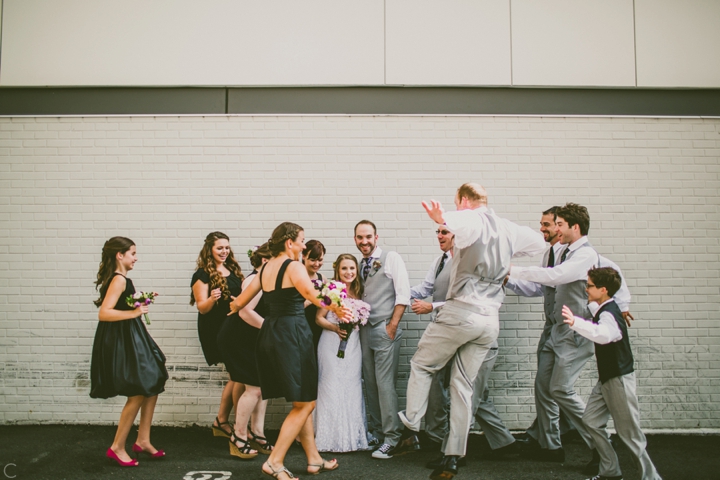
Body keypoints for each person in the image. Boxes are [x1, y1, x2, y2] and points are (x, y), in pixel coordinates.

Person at [397, 183, 546, 480]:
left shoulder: (471, 218)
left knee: (422, 365)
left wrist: (442, 218)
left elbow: (460, 222)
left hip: (460, 312)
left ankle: (410, 427)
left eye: (457, 202)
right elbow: (540, 244)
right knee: (462, 387)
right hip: (490, 319)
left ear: (464, 200)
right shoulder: (508, 228)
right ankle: (452, 457)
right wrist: (505, 262)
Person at [508, 208, 634, 469]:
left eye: (558, 224)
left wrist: (620, 303)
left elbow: (560, 276)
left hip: (574, 333)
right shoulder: (554, 253)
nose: (554, 228)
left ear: (574, 227)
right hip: (553, 331)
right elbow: (544, 286)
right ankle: (550, 446)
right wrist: (506, 278)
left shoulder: (586, 255)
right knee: (544, 388)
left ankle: (601, 442)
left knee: (560, 389)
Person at [229, 222, 351, 479]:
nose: (304, 246)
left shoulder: (265, 268)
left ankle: (314, 459)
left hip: (271, 334)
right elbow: (310, 293)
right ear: (289, 243)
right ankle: (274, 462)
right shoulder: (293, 266)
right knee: (306, 402)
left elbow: (239, 302)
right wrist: (337, 306)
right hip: (292, 334)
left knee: (301, 400)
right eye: (302, 240)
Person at [414, 226, 518, 469]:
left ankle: (454, 455)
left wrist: (433, 307)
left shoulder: (477, 264)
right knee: (477, 396)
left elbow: (474, 302)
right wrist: (396, 294)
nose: (439, 235)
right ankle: (505, 443)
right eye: (437, 231)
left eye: (445, 232)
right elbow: (426, 288)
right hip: (457, 340)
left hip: (479, 340)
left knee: (466, 396)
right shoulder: (441, 261)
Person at [562, 267, 662, 480]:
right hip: (607, 379)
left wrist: (575, 323)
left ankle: (651, 478)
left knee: (630, 435)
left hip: (618, 380)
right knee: (590, 421)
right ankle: (610, 472)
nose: (586, 289)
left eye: (589, 286)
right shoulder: (604, 307)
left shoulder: (609, 313)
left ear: (603, 290)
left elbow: (604, 335)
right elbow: (595, 311)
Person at [90, 237, 168, 467]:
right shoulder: (118, 280)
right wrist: (134, 313)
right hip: (122, 339)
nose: (136, 257)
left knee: (153, 380)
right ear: (119, 255)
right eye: (132, 253)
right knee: (138, 390)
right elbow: (104, 313)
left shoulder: (121, 279)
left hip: (129, 335)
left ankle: (142, 439)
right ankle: (117, 447)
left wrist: (136, 305)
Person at [354, 220, 411, 459]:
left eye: (368, 237)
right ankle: (378, 432)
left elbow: (403, 293)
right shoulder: (358, 264)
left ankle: (393, 438)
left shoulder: (391, 257)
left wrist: (392, 325)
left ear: (376, 237)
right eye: (359, 237)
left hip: (384, 328)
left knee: (385, 384)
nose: (364, 241)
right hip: (364, 330)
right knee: (370, 382)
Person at [219, 243, 274, 459]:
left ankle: (257, 433)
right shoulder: (255, 279)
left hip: (252, 338)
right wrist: (271, 330)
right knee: (254, 388)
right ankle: (238, 436)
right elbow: (245, 313)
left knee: (263, 386)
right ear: (265, 261)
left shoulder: (267, 278)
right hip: (237, 339)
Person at [314, 254, 371, 452]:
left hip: (353, 345)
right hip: (331, 343)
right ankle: (328, 436)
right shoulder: (331, 289)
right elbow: (318, 318)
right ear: (337, 270)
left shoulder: (360, 290)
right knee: (331, 384)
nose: (349, 272)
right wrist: (334, 327)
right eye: (344, 268)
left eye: (352, 268)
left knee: (351, 385)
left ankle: (352, 435)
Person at [190, 232, 245, 439]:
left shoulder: (232, 270)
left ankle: (221, 420)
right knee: (237, 374)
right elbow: (202, 308)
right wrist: (212, 299)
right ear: (210, 250)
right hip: (216, 328)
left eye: (227, 248)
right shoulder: (202, 275)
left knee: (236, 375)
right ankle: (223, 421)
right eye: (219, 248)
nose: (224, 251)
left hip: (234, 327)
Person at [302, 239, 327, 353]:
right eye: (312, 260)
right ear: (303, 256)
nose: (317, 264)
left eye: (320, 260)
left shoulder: (322, 278)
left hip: (318, 326)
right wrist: (310, 300)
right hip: (301, 325)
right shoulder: (297, 278)